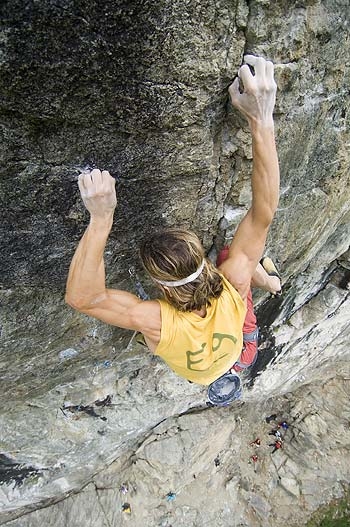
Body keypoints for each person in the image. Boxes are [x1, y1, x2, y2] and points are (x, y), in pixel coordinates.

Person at [65, 54, 281, 388]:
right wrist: (261, 119)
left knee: (237, 266)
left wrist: (101, 219)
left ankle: (268, 282)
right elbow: (263, 213)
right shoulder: (231, 284)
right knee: (232, 257)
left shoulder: (156, 321)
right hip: (236, 353)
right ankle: (270, 281)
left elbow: (84, 298)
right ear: (199, 257)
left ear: (163, 287)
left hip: (238, 353)